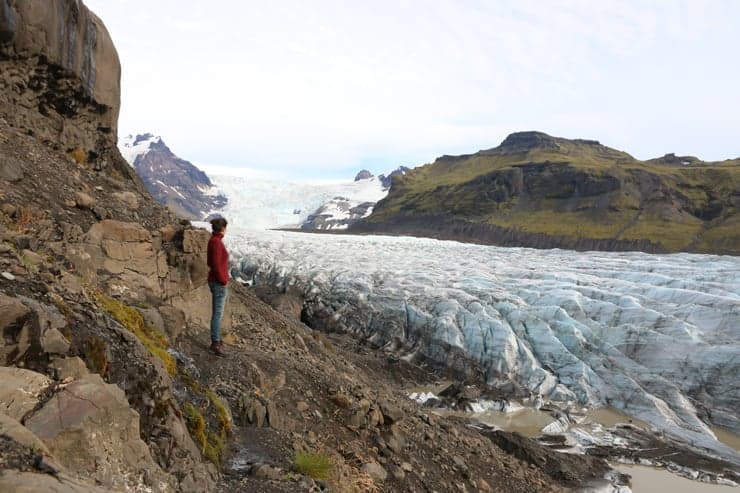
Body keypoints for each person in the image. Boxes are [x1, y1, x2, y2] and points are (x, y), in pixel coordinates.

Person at [207, 217, 229, 356]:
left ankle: (217, 340)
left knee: (218, 313)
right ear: (222, 228)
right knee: (217, 314)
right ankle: (215, 343)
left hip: (216, 281)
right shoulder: (216, 242)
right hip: (218, 282)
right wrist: (223, 280)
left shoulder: (215, 241)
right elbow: (214, 264)